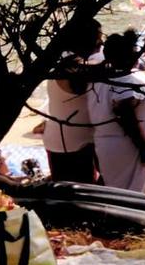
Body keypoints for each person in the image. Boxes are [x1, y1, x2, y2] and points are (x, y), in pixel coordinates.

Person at [92, 31, 145, 193]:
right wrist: (144, 149)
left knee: (117, 195)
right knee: (133, 197)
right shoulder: (128, 81)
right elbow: (124, 110)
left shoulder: (100, 80)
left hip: (107, 146)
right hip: (129, 150)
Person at [42, 21, 101, 182]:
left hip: (73, 138)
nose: (100, 43)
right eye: (98, 38)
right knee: (76, 194)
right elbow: (79, 84)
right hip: (68, 143)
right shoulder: (69, 68)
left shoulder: (69, 61)